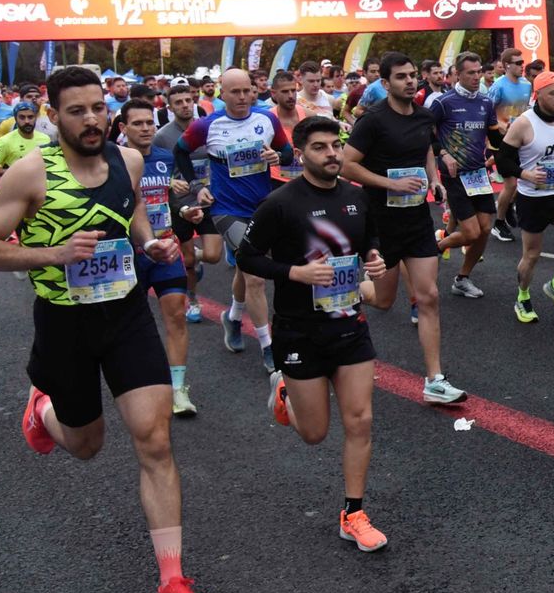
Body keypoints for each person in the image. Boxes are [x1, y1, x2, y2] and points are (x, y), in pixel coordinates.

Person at [0, 66, 217, 593]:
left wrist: (150, 245)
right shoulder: (30, 175)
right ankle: (44, 411)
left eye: (97, 108)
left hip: (126, 313)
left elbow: (135, 216)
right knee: (85, 445)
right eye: (76, 111)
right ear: (54, 116)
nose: (90, 120)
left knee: (155, 440)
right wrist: (54, 254)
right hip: (64, 323)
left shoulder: (128, 162)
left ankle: (172, 586)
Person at [245, 117, 393, 553]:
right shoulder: (280, 203)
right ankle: (286, 393)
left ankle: (353, 513)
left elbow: (369, 240)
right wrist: (294, 271)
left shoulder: (355, 197)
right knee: (313, 434)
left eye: (336, 145)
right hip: (299, 330)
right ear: (301, 154)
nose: (332, 154)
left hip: (349, 322)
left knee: (360, 419)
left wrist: (373, 259)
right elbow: (247, 257)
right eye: (320, 147)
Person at [341, 51, 467, 404]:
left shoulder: (424, 115)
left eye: (413, 75)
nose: (410, 81)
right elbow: (347, 167)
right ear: (385, 83)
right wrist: (389, 183)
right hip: (380, 224)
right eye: (401, 77)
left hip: (416, 220)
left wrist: (434, 180)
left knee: (428, 296)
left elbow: (426, 149)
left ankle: (434, 380)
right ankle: (352, 290)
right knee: (382, 300)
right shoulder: (373, 121)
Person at [175, 67, 292, 373]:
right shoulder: (207, 125)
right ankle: (268, 346)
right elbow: (180, 151)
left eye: (247, 90)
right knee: (255, 275)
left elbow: (289, 152)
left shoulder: (266, 119)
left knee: (245, 267)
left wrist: (279, 158)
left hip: (263, 208)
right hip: (227, 210)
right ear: (221, 93)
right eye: (235, 91)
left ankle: (234, 317)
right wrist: (197, 186)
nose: (242, 97)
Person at [121, 100, 202, 418]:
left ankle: (178, 389)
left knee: (176, 317)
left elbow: (165, 197)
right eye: (137, 123)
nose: (145, 129)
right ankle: (138, 388)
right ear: (123, 128)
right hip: (129, 254)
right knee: (132, 326)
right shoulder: (114, 161)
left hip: (166, 249)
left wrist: (184, 210)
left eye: (149, 123)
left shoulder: (165, 159)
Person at [499, 71, 554, 322]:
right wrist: (525, 174)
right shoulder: (523, 124)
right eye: (553, 93)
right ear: (537, 96)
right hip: (532, 198)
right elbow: (502, 160)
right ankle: (523, 296)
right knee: (532, 255)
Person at [430, 52, 496, 299]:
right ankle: (438, 246)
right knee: (471, 233)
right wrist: (444, 154)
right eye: (471, 72)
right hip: (454, 175)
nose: (476, 76)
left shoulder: (485, 102)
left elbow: (493, 134)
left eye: (479, 71)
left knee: (485, 229)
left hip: (478, 174)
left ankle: (462, 278)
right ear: (457, 74)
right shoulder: (443, 102)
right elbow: (425, 131)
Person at [153, 80, 221, 324]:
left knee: (213, 255)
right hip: (180, 205)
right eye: (178, 102)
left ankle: (192, 259)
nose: (184, 106)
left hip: (207, 199)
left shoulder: (207, 128)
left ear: (194, 102)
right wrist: (170, 182)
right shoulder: (162, 137)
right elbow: (156, 169)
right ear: (170, 107)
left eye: (188, 101)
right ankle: (193, 300)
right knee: (189, 262)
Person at [487, 48, 530, 242]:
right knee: (511, 183)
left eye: (523, 62)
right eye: (518, 63)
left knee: (523, 181)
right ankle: (499, 222)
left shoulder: (526, 85)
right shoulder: (498, 86)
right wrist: (500, 127)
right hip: (500, 142)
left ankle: (508, 207)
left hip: (521, 140)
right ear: (506, 66)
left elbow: (525, 110)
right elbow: (486, 111)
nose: (522, 66)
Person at [0, 100, 52, 180]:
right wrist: (13, 172)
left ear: (35, 118)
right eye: (22, 117)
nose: (27, 121)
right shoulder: (4, 141)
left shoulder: (45, 138)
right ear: (16, 119)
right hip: (16, 187)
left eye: (30, 117)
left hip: (41, 186)